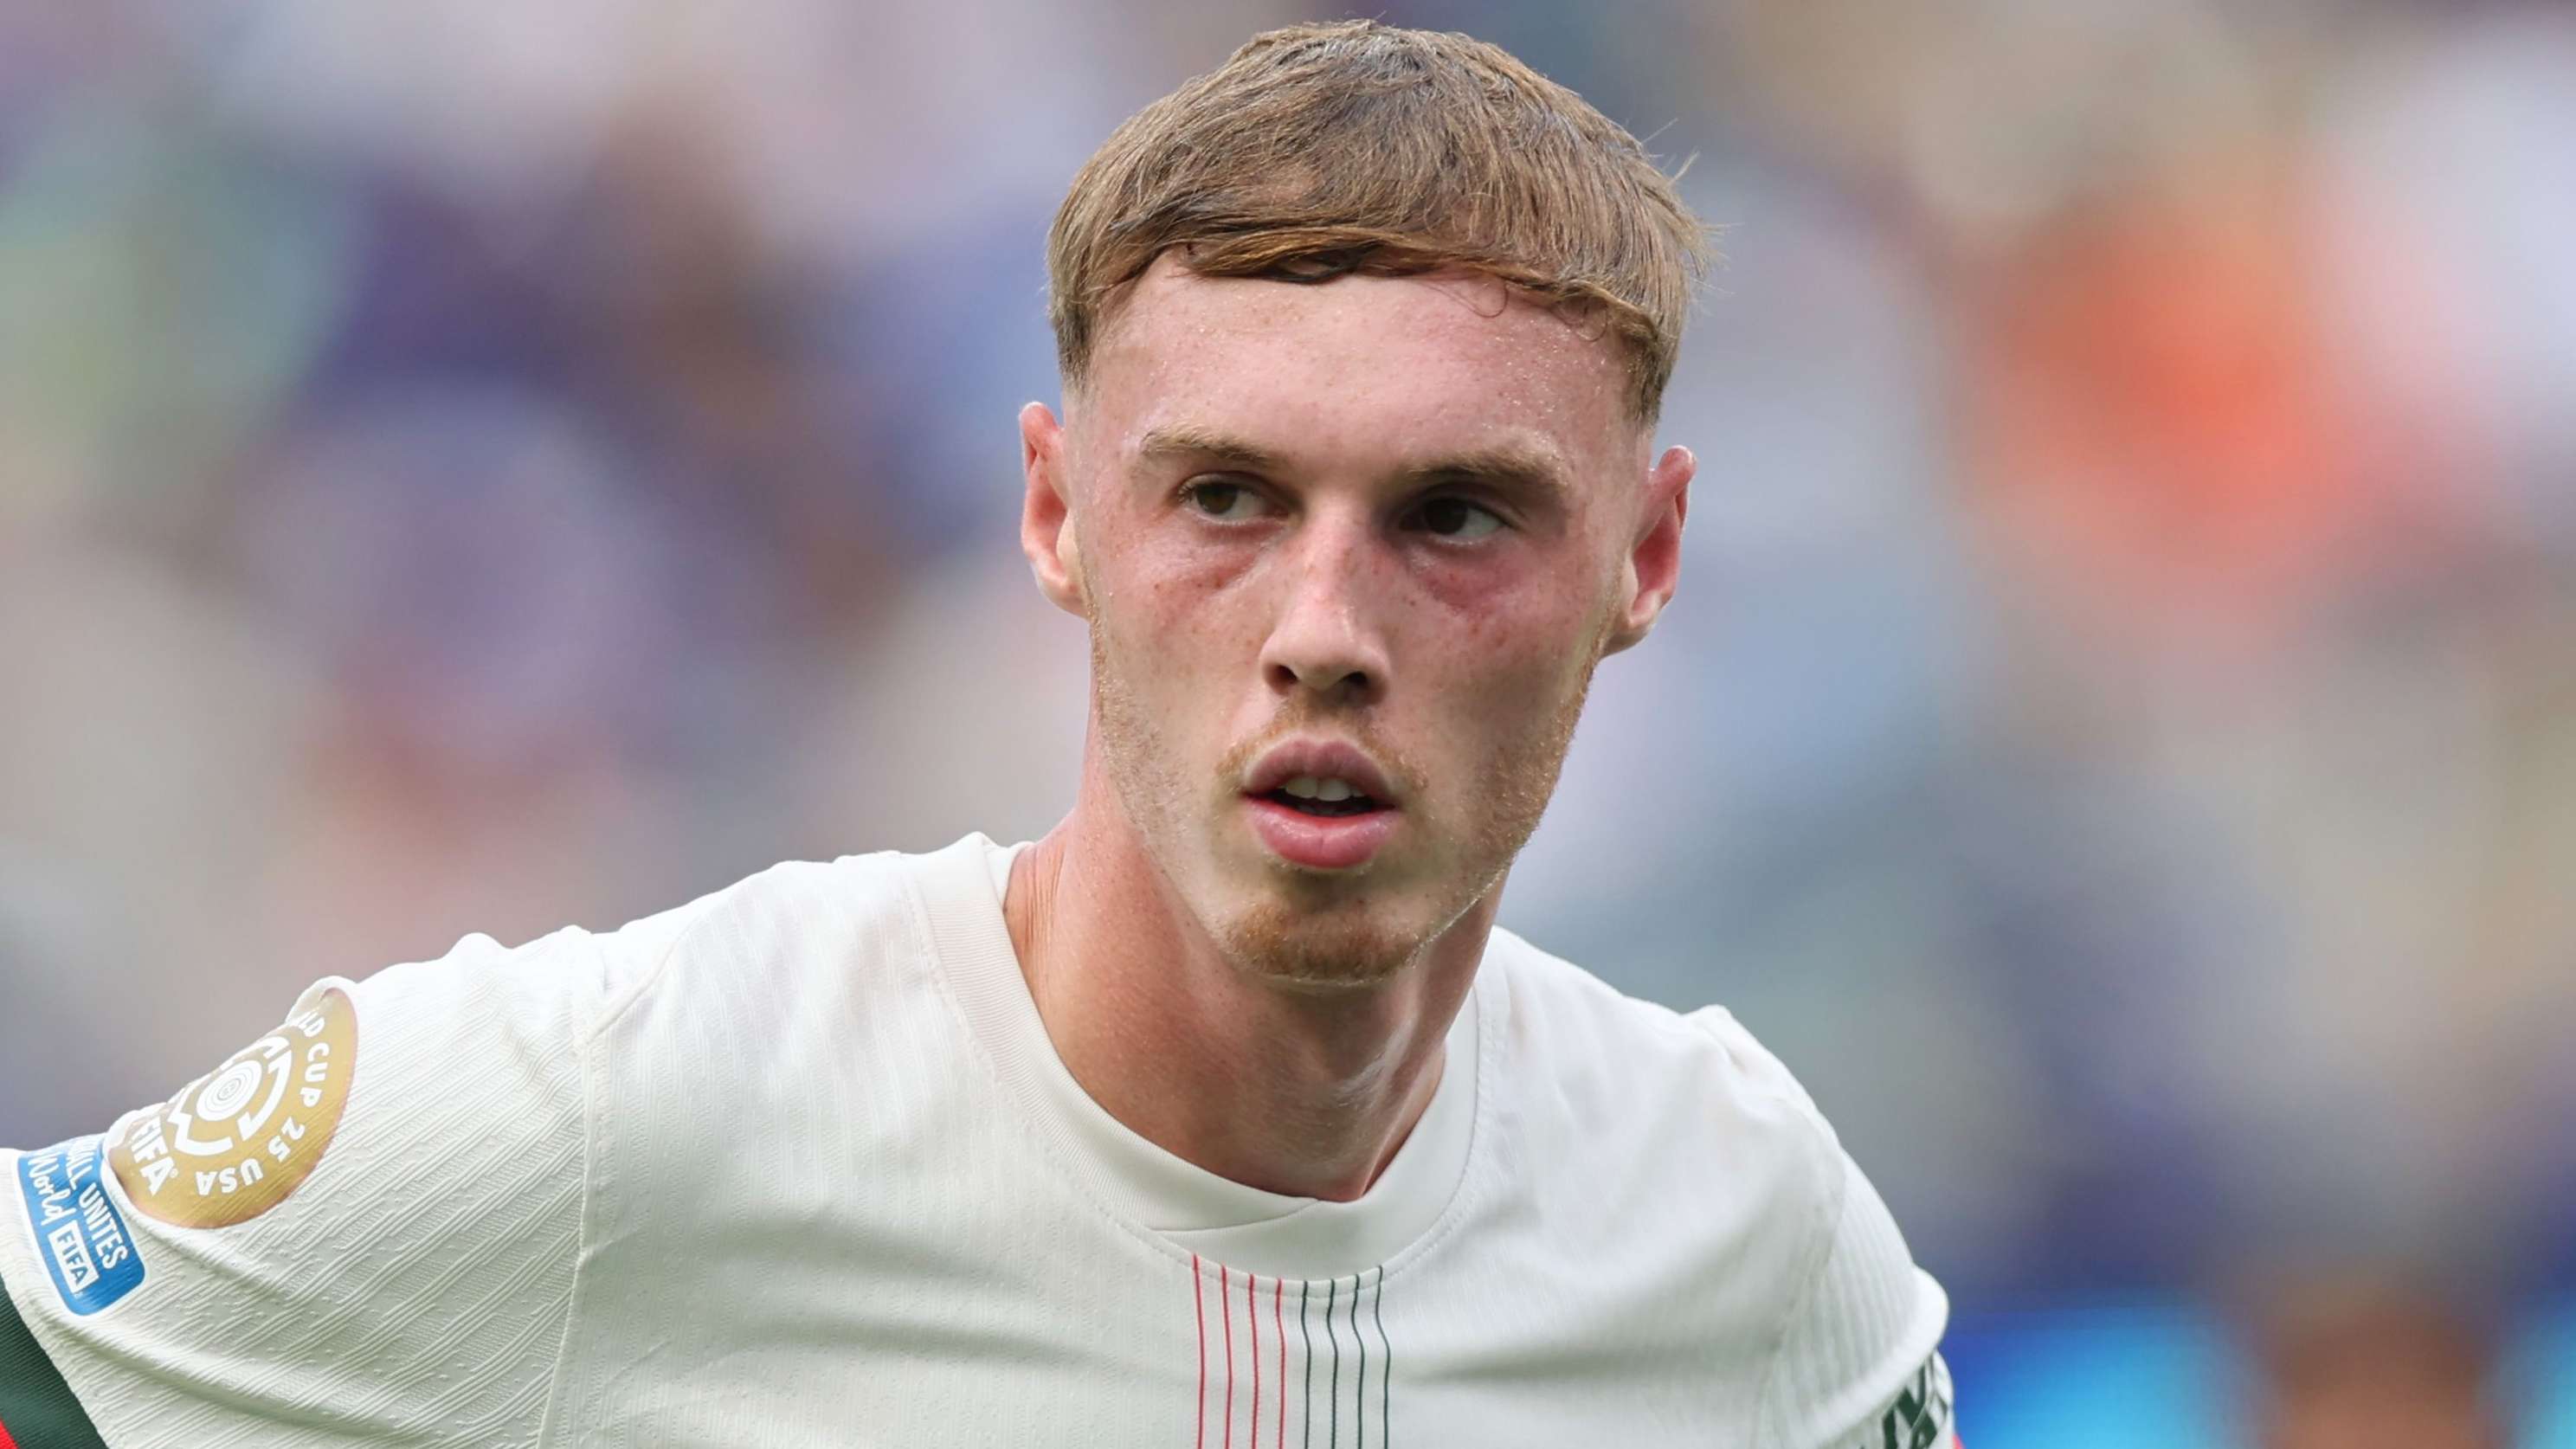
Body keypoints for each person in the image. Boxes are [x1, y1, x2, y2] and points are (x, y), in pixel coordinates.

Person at [0, 21, 1955, 1447]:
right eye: (1225, 499)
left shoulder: (1746, 1230)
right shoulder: (614, 1112)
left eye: (1454, 515)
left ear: (1646, 554)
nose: (1323, 633)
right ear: (1055, 513)